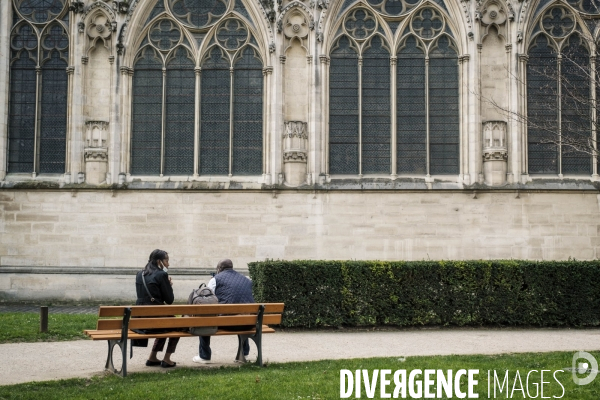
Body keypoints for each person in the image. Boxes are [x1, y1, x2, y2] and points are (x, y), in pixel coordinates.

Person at [192, 259, 254, 364]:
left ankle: (204, 356)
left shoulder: (215, 279)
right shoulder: (246, 279)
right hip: (248, 323)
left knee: (204, 319)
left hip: (226, 323)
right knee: (243, 315)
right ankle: (244, 352)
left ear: (219, 269)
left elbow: (208, 301)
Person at [135, 249, 179, 368]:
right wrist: (169, 286)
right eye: (166, 261)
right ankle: (167, 358)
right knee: (178, 325)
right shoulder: (161, 274)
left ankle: (152, 357)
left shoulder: (140, 274)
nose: (168, 264)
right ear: (159, 261)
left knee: (165, 323)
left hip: (138, 321)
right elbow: (169, 300)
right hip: (154, 319)